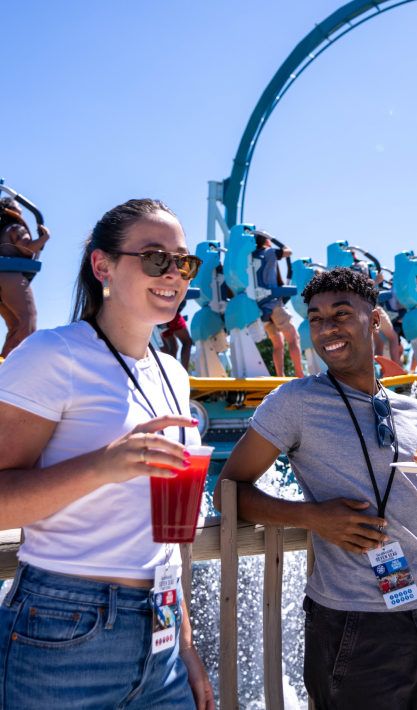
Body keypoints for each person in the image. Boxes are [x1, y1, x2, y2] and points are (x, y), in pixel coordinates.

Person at [214, 266, 417, 709]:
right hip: (358, 630)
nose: (326, 328)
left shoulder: (412, 412)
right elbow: (228, 489)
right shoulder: (293, 402)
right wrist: (310, 517)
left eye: (341, 314)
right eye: (315, 318)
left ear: (374, 322)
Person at [0, 198, 213, 710]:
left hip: (160, 632)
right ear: (103, 266)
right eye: (156, 257)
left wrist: (185, 645)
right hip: (61, 627)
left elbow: (163, 539)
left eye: (183, 261)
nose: (174, 273)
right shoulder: (52, 354)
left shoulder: (173, 374)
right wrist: (103, 466)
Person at [0, 197, 50, 358]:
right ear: (10, 208)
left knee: (15, 325)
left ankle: (4, 363)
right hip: (10, 277)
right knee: (28, 318)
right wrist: (44, 238)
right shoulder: (14, 227)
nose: (20, 209)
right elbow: (28, 248)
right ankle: (23, 361)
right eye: (17, 205)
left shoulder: (2, 230)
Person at [253, 232, 304, 378]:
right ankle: (300, 375)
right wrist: (274, 240)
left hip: (261, 306)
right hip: (274, 303)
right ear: (266, 242)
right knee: (293, 337)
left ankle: (280, 377)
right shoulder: (268, 252)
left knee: (278, 343)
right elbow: (288, 251)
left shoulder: (252, 256)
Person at [159, 302, 193, 371]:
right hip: (171, 313)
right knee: (187, 342)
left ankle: (171, 373)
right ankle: (184, 373)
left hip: (160, 316)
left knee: (173, 348)